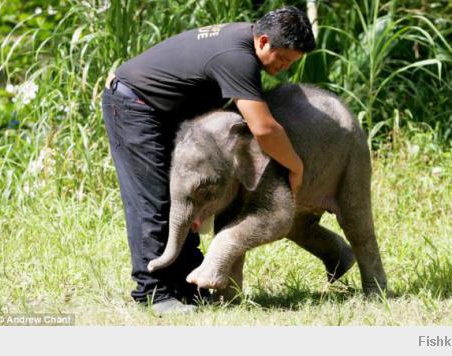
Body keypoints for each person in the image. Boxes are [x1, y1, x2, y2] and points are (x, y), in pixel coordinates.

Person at [101, 6, 315, 315]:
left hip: (163, 110)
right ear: (264, 40)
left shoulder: (246, 41)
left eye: (290, 63)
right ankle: (154, 293)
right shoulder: (238, 58)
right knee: (154, 201)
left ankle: (188, 286)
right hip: (134, 105)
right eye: (281, 59)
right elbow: (264, 128)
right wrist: (297, 167)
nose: (283, 67)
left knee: (189, 198)